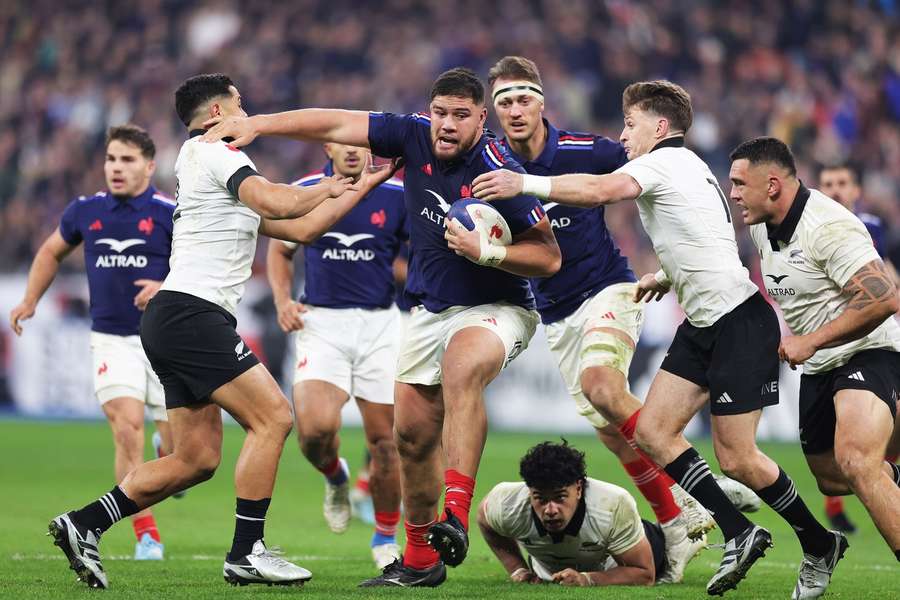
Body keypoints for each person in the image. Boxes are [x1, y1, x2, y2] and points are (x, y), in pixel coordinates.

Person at [472, 80, 841, 598]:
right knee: (651, 432)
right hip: (704, 322)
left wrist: (524, 183)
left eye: (631, 124)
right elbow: (703, 240)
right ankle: (738, 531)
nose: (623, 136)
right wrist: (666, 277)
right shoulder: (690, 170)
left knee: (736, 457)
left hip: (739, 320)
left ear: (660, 127)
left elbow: (600, 191)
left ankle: (818, 541)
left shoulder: (661, 163)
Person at [202, 66, 562, 587]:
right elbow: (335, 122)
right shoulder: (412, 134)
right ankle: (419, 562)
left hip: (499, 309)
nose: (446, 125)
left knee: (462, 367)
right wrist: (261, 124)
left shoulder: (496, 170)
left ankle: (456, 514)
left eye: (461, 116)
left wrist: (493, 250)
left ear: (481, 120)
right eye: (440, 112)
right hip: (427, 312)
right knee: (411, 439)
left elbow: (548, 258)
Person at [46, 73, 397, 589]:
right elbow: (279, 202)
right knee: (275, 417)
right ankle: (246, 552)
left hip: (175, 317)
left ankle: (84, 524)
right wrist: (326, 184)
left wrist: (358, 187)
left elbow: (300, 230)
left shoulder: (203, 167)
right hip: (193, 314)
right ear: (216, 114)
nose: (246, 111)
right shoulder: (215, 151)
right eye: (239, 103)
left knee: (196, 458)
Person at [485, 56, 707, 583]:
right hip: (556, 315)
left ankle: (696, 492)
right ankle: (678, 521)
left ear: (541, 101)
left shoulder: (591, 151)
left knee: (604, 386)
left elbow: (661, 162)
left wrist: (685, 250)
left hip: (609, 288)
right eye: (504, 102)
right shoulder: (487, 164)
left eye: (523, 98)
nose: (515, 110)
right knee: (611, 435)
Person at [731, 137, 900, 566]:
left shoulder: (827, 226)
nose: (733, 194)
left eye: (739, 184)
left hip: (869, 350)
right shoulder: (759, 224)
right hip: (819, 366)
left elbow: (883, 298)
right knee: (832, 479)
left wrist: (809, 341)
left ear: (772, 185)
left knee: (857, 460)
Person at [10, 124, 175, 561]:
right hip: (111, 340)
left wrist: (164, 283)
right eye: (111, 159)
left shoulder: (168, 212)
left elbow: (198, 267)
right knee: (126, 431)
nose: (116, 168)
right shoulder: (86, 211)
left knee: (179, 450)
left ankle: (167, 453)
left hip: (165, 342)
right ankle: (146, 532)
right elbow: (49, 252)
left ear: (149, 165)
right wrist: (29, 299)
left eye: (127, 160)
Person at [267, 142, 406, 568]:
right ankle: (336, 477)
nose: (352, 151)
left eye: (360, 144)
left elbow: (421, 254)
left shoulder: (397, 195)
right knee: (313, 433)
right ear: (328, 145)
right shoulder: (307, 190)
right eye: (343, 143)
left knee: (386, 442)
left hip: (380, 326)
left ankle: (385, 541)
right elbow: (279, 249)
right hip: (321, 324)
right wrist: (282, 300)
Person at [817, 163, 900, 534]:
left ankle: (882, 479)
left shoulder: (873, 229)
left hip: (878, 333)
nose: (835, 190)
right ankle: (841, 499)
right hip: (832, 343)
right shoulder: (811, 228)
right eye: (827, 184)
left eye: (842, 183)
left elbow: (885, 277)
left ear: (856, 190)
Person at [479, 440, 675, 587]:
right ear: (529, 492)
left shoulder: (613, 504)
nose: (550, 510)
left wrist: (588, 579)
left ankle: (679, 529)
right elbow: (484, 520)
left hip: (621, 554)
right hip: (547, 567)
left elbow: (644, 574)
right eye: (540, 498)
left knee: (663, 553)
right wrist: (518, 569)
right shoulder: (507, 503)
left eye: (560, 497)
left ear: (579, 489)